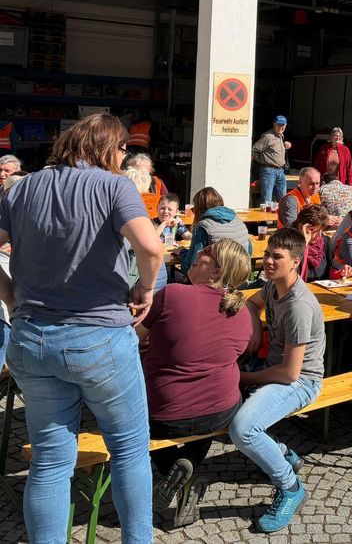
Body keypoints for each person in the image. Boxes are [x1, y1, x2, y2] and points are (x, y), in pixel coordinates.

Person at [0, 113, 163, 542]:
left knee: (51, 462)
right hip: (98, 338)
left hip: (31, 337)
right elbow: (150, 246)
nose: (126, 155)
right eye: (124, 147)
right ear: (106, 146)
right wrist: (144, 288)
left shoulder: (22, 187)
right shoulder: (114, 185)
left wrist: (11, 297)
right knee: (128, 450)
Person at [138, 239, 252, 526]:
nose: (197, 254)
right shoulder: (243, 312)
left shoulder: (172, 294)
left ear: (217, 271)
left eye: (206, 254)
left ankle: (173, 469)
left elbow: (132, 338)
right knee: (215, 395)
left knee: (138, 415)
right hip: (220, 411)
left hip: (163, 414)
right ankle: (188, 463)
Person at [230, 228, 326, 532]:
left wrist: (245, 377)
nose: (268, 260)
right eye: (268, 254)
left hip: (301, 382)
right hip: (275, 370)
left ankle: (291, 487)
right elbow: (250, 302)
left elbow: (290, 373)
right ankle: (283, 453)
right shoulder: (273, 287)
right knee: (219, 395)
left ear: (295, 262)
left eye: (277, 257)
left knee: (242, 428)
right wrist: (256, 328)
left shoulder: (298, 305)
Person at [181, 186, 251, 274]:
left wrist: (182, 252)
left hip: (218, 279)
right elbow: (249, 251)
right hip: (240, 275)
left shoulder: (203, 226)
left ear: (200, 208)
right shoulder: (239, 221)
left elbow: (189, 265)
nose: (193, 211)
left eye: (194, 209)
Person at [252, 116, 292, 205]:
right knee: (267, 200)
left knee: (282, 199)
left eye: (282, 125)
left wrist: (286, 145)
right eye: (278, 125)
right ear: (274, 124)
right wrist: (262, 160)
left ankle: (279, 219)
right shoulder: (268, 136)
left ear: (285, 125)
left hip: (280, 171)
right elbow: (254, 150)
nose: (280, 127)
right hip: (269, 171)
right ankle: (264, 219)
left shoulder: (281, 136)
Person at [293, 204, 334, 282]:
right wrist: (304, 243)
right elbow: (292, 274)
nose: (319, 235)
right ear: (301, 227)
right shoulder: (289, 244)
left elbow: (330, 272)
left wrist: (340, 273)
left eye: (321, 230)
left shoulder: (325, 242)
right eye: (314, 231)